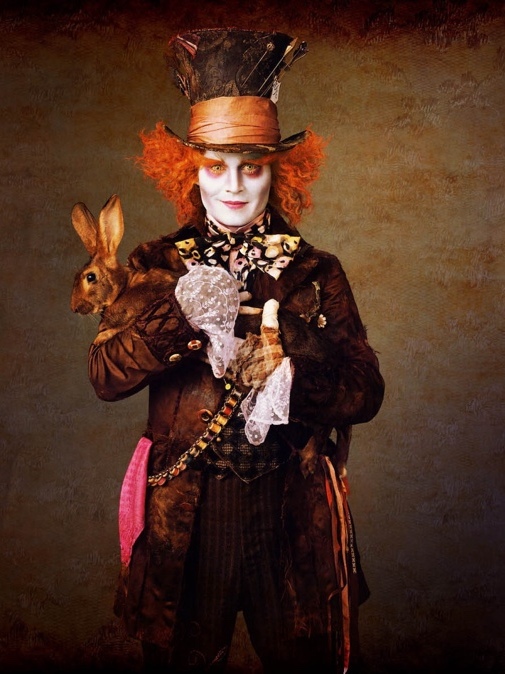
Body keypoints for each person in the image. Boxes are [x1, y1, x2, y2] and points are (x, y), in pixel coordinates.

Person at [87, 29, 384, 674]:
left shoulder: (317, 270)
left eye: (252, 166)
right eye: (215, 165)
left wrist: (290, 369)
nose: (233, 185)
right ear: (189, 170)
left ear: (278, 171)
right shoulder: (155, 263)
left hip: (292, 514)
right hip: (189, 520)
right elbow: (104, 376)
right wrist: (178, 320)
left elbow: (365, 392)